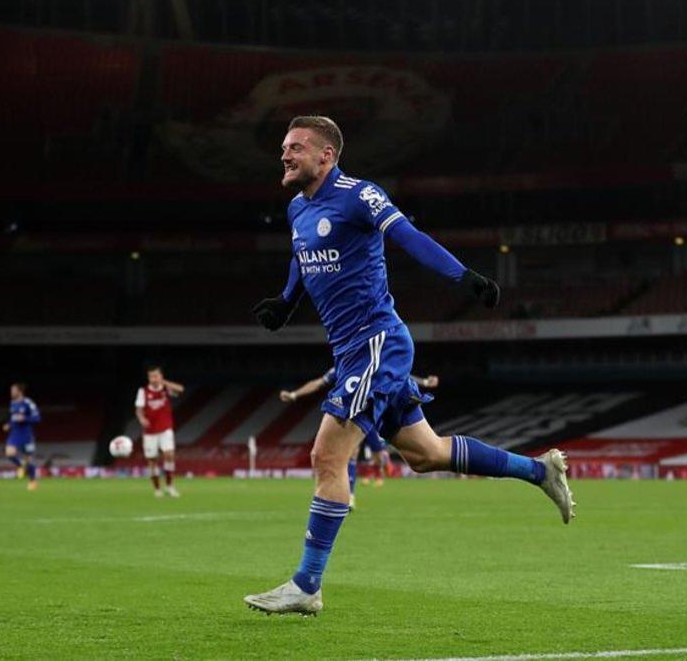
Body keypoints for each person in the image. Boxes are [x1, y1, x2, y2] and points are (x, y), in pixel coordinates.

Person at [245, 116, 575, 615]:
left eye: (295, 148)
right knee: (426, 454)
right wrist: (287, 301)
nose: (285, 156)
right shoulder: (297, 208)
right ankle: (539, 471)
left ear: (325, 156)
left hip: (377, 341)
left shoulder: (360, 195)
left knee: (327, 457)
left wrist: (462, 276)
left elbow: (408, 236)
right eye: (283, 149)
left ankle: (306, 585)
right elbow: (301, 257)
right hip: (352, 349)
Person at [280, 370, 440, 499]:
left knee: (378, 455)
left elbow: (399, 372)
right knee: (350, 454)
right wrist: (294, 394)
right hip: (350, 417)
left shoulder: (373, 361)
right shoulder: (341, 367)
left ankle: (380, 470)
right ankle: (350, 496)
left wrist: (425, 382)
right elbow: (317, 383)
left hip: (373, 417)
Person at [135, 365, 185, 498]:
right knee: (152, 460)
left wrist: (165, 383)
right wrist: (141, 418)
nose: (153, 379)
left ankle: (169, 486)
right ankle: (157, 489)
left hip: (165, 429)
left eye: (156, 376)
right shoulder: (143, 391)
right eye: (151, 376)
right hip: (150, 431)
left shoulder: (166, 389)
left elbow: (180, 389)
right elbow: (139, 409)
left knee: (169, 454)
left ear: (161, 376)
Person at [2, 382, 40, 491]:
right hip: (15, 433)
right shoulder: (12, 403)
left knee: (29, 459)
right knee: (9, 453)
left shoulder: (28, 403)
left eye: (13, 390)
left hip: (26, 434)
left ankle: (33, 482)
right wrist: (8, 424)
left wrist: (24, 418)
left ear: (19, 391)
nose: (11, 392)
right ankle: (21, 466)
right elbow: (13, 418)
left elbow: (37, 418)